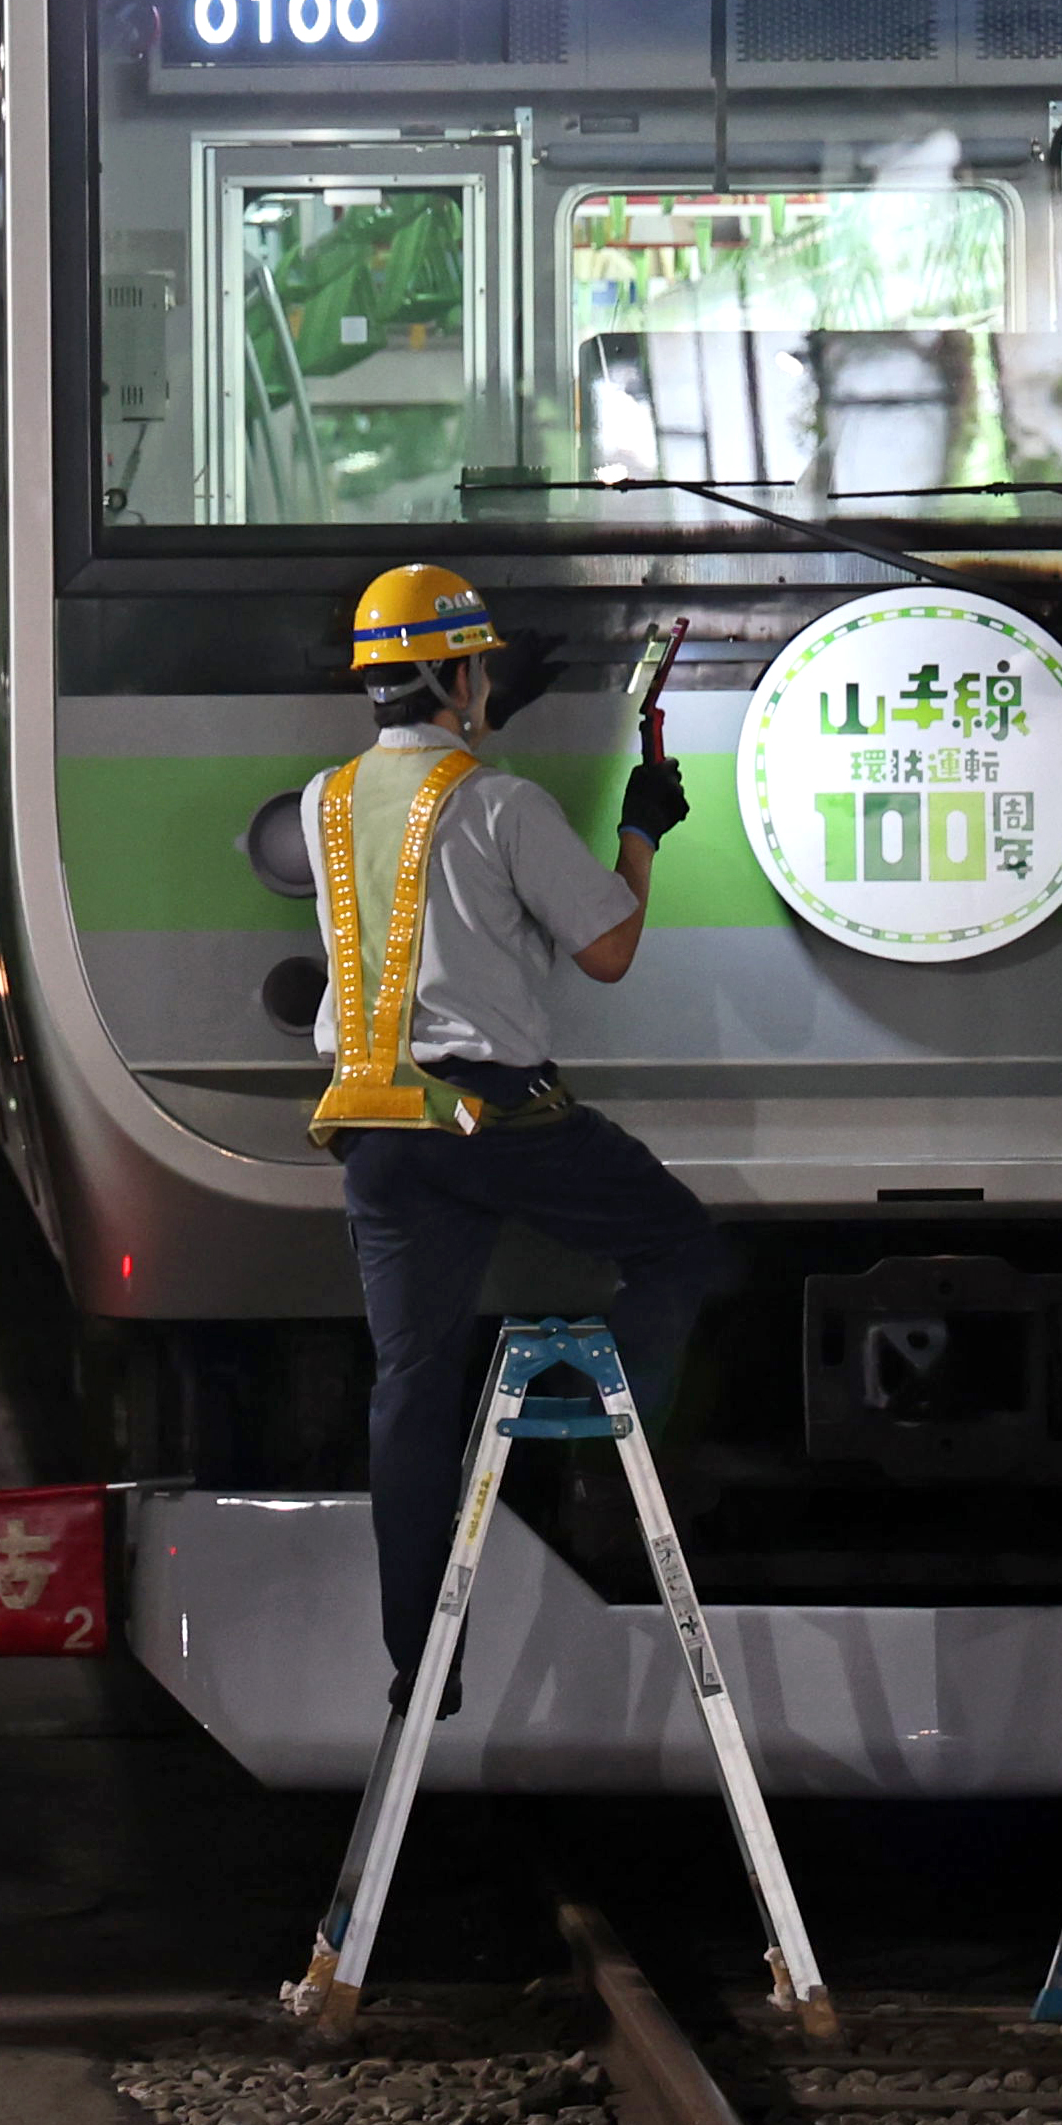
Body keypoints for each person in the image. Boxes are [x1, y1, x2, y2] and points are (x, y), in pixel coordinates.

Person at [304, 565, 724, 1706]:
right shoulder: (506, 806)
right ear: (454, 678)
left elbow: (417, 822)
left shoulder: (325, 800)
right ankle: (595, 1415)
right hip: (495, 1118)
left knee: (410, 1385)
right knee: (683, 1245)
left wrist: (487, 719)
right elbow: (609, 948)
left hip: (376, 1124)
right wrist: (641, 829)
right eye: (477, 668)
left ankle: (419, 1663)